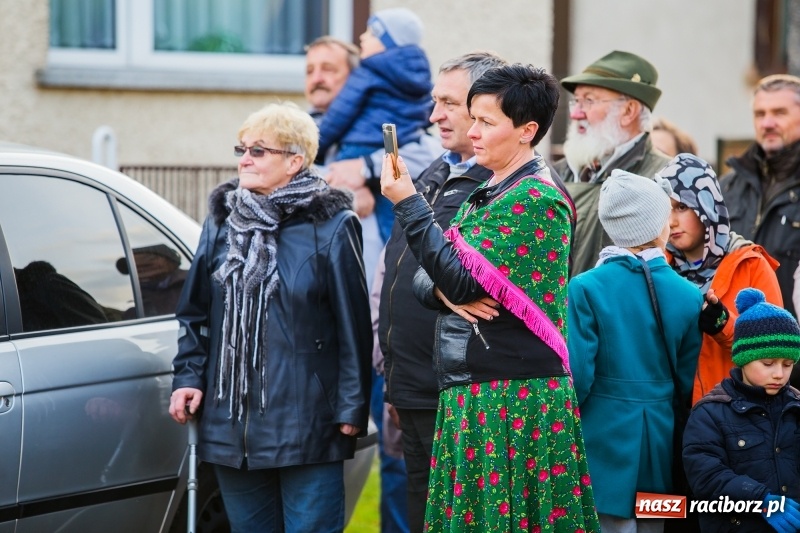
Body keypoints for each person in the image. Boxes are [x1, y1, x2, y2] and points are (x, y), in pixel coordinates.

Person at [381, 64, 599, 532]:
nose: (473, 132)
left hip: (512, 398)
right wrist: (444, 287)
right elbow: (429, 276)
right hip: (477, 391)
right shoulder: (491, 190)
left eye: (486, 121)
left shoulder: (535, 198)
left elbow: (457, 278)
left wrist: (409, 203)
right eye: (473, 118)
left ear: (527, 130)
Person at [168, 102, 372, 533]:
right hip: (230, 425)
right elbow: (195, 313)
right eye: (241, 148)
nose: (244, 159)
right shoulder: (221, 223)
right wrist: (188, 376)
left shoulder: (333, 224)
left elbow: (353, 327)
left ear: (294, 161)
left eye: (258, 150)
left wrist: (352, 406)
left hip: (308, 424)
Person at [378, 50, 506, 533]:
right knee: (421, 508)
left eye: (449, 103)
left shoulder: (500, 184)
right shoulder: (435, 171)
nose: (434, 116)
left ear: (485, 107)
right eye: (435, 102)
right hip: (410, 382)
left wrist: (438, 288)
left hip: (458, 387)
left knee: (459, 515)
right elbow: (404, 268)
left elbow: (470, 278)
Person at [567, 169, 703, 532]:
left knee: (607, 523)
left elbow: (578, 376)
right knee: (655, 522)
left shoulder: (585, 288)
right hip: (661, 438)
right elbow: (687, 380)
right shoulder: (689, 294)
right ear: (659, 227)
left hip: (601, 437)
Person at [658, 153, 782, 403]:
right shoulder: (659, 268)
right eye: (665, 209)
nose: (671, 221)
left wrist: (723, 324)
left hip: (735, 412)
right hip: (671, 413)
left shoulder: (750, 264)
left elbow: (777, 347)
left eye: (682, 207)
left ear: (706, 206)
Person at [682, 288, 800, 533]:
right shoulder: (710, 413)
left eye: (788, 364)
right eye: (768, 363)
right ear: (743, 359)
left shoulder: (796, 407)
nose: (779, 374)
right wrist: (759, 499)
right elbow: (706, 476)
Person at [315, 8, 433, 244]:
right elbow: (424, 112)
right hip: (397, 146)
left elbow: (340, 114)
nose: (362, 37)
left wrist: (316, 146)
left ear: (386, 41)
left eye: (370, 33)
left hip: (359, 146)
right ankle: (395, 251)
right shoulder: (419, 73)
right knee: (393, 213)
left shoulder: (369, 69)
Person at [554, 50, 671, 276]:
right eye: (576, 101)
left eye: (589, 101)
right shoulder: (557, 173)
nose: (576, 113)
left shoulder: (665, 176)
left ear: (628, 111)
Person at [720, 74, 800, 318]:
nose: (767, 123)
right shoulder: (728, 186)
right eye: (760, 114)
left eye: (779, 113)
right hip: (731, 334)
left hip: (790, 337)